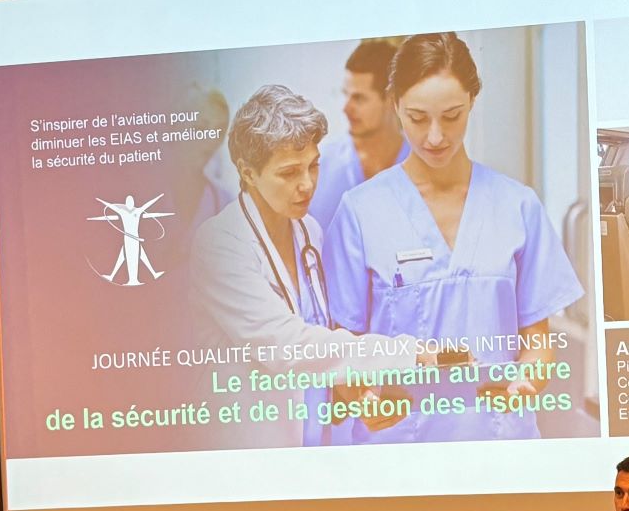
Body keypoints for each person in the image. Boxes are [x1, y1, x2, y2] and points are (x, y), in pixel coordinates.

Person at [323, 32, 584, 444]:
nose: (435, 137)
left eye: (451, 116)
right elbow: (343, 351)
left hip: (499, 443)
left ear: (472, 103)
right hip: (398, 449)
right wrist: (362, 398)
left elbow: (538, 345)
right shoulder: (359, 212)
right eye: (417, 117)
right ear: (396, 107)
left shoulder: (518, 206)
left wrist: (527, 385)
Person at [190, 84, 439, 447]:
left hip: (308, 448)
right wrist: (399, 352)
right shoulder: (219, 244)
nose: (307, 184)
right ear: (247, 171)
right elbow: (287, 346)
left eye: (313, 166)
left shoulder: (308, 232)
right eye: (289, 172)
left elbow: (321, 337)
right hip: (245, 451)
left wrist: (359, 397)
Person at [307, 39, 411, 227]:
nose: (346, 108)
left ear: (391, 99)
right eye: (345, 94)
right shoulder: (318, 164)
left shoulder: (422, 165)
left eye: (359, 98)